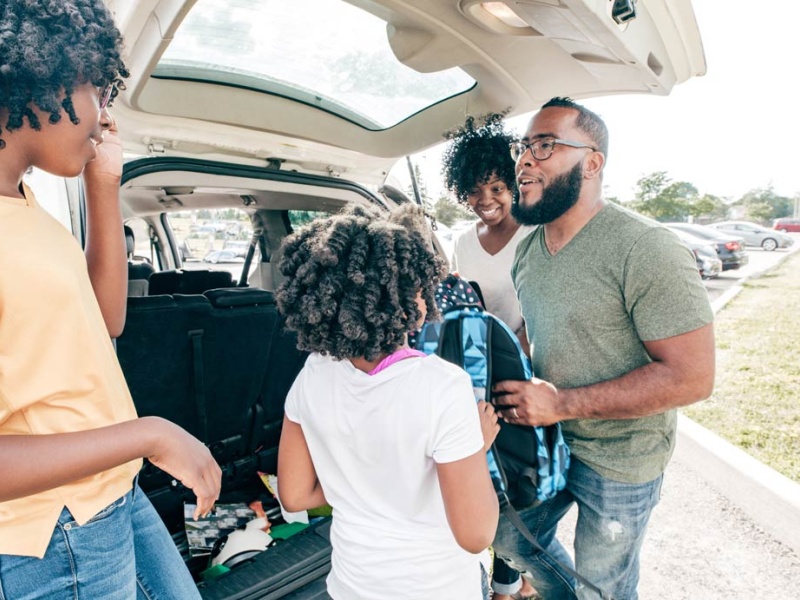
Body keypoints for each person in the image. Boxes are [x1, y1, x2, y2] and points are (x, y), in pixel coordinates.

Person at [0, 2, 222, 597]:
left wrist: (103, 185)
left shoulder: (23, 205)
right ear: (46, 77)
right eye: (99, 90)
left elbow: (106, 321)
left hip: (108, 493)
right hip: (52, 532)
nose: (103, 117)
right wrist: (146, 434)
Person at [491, 97, 716, 599]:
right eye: (523, 147)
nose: (524, 160)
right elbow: (538, 330)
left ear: (592, 162)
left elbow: (693, 378)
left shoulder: (646, 248)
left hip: (622, 458)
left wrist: (564, 403)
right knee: (508, 539)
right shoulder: (527, 249)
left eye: (544, 145)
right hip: (546, 445)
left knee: (605, 587)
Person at [274, 204, 500, 600]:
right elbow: (476, 535)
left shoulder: (312, 373)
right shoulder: (443, 386)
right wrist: (475, 449)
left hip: (353, 585)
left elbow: (294, 495)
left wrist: (362, 479)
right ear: (408, 300)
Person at [441, 114, 537, 600]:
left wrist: (520, 345)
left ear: (512, 183)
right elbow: (461, 303)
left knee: (519, 476)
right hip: (477, 371)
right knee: (484, 472)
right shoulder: (460, 241)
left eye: (496, 187)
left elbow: (542, 306)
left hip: (527, 370)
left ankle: (510, 576)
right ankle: (505, 575)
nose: (486, 201)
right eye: (474, 193)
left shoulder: (535, 234)